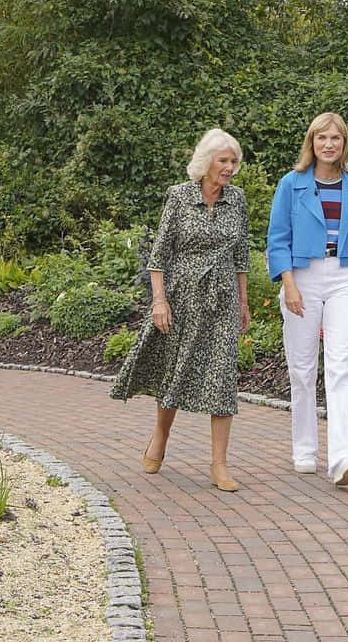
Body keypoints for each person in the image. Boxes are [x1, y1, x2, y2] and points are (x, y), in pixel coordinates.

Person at [110, 128, 250, 492]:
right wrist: (160, 300)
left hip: (221, 299)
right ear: (206, 162)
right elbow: (160, 253)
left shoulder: (237, 200)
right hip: (182, 295)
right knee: (175, 370)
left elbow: (241, 256)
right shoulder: (178, 196)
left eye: (234, 161)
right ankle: (160, 434)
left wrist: (244, 303)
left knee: (222, 377)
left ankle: (219, 464)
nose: (230, 168)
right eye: (224, 160)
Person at [266, 112, 348, 487]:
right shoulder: (291, 184)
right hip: (302, 277)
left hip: (344, 276)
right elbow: (277, 238)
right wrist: (289, 283)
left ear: (344, 144)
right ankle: (304, 450)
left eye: (336, 138)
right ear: (311, 143)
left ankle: (345, 457)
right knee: (301, 369)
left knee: (341, 368)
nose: (328, 144)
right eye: (321, 138)